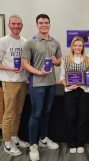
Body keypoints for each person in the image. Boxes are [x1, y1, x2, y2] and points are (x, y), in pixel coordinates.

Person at [21, 14, 62, 161]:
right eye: (41, 23)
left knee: (46, 111)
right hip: (37, 84)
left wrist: (55, 61)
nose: (44, 25)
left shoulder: (55, 42)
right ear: (37, 25)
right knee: (36, 113)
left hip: (51, 83)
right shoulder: (30, 42)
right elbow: (24, 64)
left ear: (49, 24)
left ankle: (43, 138)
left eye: (46, 22)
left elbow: (59, 61)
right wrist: (39, 72)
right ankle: (33, 144)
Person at [0, 14, 30, 156]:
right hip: (9, 82)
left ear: (22, 25)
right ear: (9, 25)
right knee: (9, 113)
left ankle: (14, 137)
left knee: (18, 112)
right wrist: (10, 68)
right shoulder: (3, 41)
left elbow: (27, 61)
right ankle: (6, 143)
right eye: (14, 24)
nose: (16, 26)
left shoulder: (25, 42)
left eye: (19, 24)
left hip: (22, 81)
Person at [60, 36, 89, 154]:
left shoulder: (88, 60)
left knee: (83, 117)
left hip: (84, 91)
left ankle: (80, 143)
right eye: (75, 45)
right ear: (72, 46)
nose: (77, 47)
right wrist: (68, 86)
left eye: (80, 45)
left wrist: (88, 80)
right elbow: (62, 77)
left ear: (83, 47)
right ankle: (72, 142)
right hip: (69, 91)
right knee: (70, 116)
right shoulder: (65, 59)